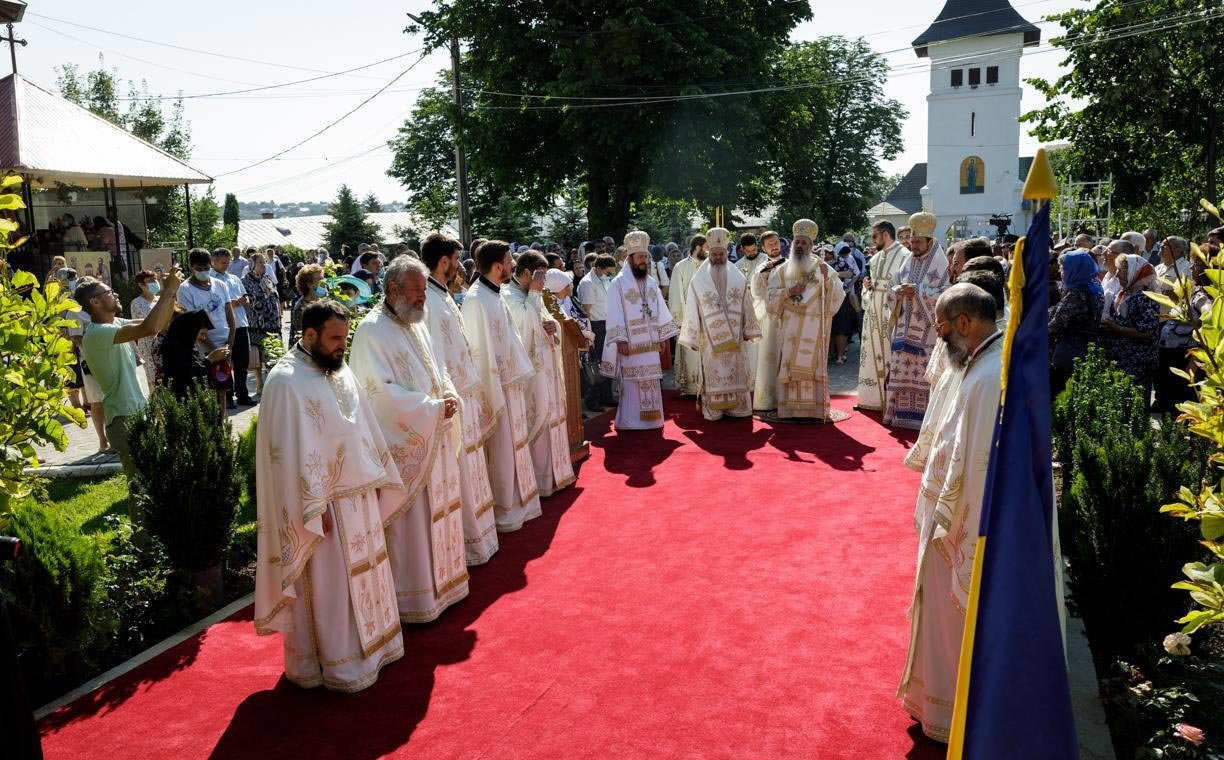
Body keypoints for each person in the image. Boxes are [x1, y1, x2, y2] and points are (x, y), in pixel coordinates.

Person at [254, 300, 405, 692]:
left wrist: (376, 475)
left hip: (359, 497)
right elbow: (285, 456)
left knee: (367, 574)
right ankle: (333, 663)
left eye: (345, 337)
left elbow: (361, 427)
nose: (342, 345)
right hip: (321, 509)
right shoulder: (285, 382)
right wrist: (309, 507)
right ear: (309, 335)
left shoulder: (338, 368)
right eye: (336, 338)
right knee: (331, 587)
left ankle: (377, 648)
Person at [897, 282, 1003, 744]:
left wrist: (954, 528)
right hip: (948, 514)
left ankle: (952, 715)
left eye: (941, 328)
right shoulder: (978, 362)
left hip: (958, 527)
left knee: (952, 623)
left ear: (963, 322)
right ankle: (936, 705)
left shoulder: (987, 377)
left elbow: (978, 464)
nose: (938, 337)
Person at [349, 258, 470, 623]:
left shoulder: (416, 322)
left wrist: (448, 394)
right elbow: (378, 395)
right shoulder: (372, 332)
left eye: (423, 291)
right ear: (393, 290)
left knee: (440, 511)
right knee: (414, 524)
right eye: (417, 291)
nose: (422, 298)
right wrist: (431, 409)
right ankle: (414, 598)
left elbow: (438, 368)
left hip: (435, 432)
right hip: (407, 443)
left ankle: (446, 584)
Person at [422, 233, 500, 564]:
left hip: (465, 391)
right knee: (462, 472)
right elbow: (434, 356)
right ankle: (469, 543)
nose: (459, 266)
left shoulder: (442, 294)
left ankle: (482, 537)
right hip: (453, 395)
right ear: (444, 261)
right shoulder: (428, 300)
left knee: (473, 468)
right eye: (455, 260)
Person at [461, 240, 544, 533]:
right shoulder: (476, 300)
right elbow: (478, 354)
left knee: (515, 446)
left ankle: (522, 501)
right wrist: (494, 389)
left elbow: (512, 338)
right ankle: (505, 508)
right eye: (509, 261)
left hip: (511, 383)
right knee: (503, 450)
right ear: (498, 266)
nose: (513, 265)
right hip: (497, 388)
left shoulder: (494, 294)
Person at [75, 268, 182, 488]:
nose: (114, 294)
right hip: (122, 419)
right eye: (108, 292)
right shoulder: (96, 333)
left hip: (136, 412)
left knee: (152, 483)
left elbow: (161, 323)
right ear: (95, 302)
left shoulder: (114, 323)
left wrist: (171, 293)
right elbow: (149, 327)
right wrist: (167, 291)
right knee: (140, 487)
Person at [503, 252, 577, 498]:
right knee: (539, 419)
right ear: (527, 272)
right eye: (541, 276)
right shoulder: (509, 296)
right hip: (532, 374)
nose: (544, 282)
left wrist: (553, 328)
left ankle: (557, 474)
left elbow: (547, 322)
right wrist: (535, 294)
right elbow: (523, 330)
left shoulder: (534, 294)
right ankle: (541, 478)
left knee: (553, 416)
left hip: (548, 370)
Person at [754, 219, 844, 421]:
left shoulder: (822, 268)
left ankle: (814, 410)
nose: (800, 246)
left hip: (815, 326)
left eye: (804, 242)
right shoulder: (782, 269)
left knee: (813, 367)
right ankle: (790, 410)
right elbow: (769, 297)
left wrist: (827, 281)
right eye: (798, 242)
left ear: (811, 245)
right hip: (790, 328)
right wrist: (788, 292)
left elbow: (839, 294)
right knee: (789, 365)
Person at [677, 227, 760, 420]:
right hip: (709, 338)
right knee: (713, 371)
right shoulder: (699, 279)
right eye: (714, 254)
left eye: (721, 254)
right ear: (709, 253)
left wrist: (749, 329)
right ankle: (714, 409)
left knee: (735, 369)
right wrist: (692, 336)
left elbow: (746, 304)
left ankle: (737, 408)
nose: (717, 257)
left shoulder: (738, 276)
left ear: (726, 253)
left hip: (735, 337)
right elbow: (692, 307)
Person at [601, 231, 680, 430]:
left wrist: (662, 337)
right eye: (639, 257)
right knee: (632, 381)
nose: (643, 260)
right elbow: (614, 312)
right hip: (630, 342)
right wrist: (620, 339)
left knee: (651, 379)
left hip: (651, 343)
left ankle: (652, 420)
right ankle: (630, 421)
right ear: (630, 258)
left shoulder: (651, 282)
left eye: (645, 256)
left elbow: (660, 310)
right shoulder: (618, 284)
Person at [884, 212, 950, 430]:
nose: (913, 246)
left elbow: (947, 294)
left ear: (930, 242)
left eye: (918, 242)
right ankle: (898, 415)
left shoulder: (941, 264)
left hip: (928, 333)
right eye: (912, 242)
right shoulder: (907, 262)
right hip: (903, 332)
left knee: (924, 375)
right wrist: (898, 291)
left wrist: (919, 291)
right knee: (901, 373)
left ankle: (925, 419)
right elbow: (892, 287)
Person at [178, 248, 235, 419]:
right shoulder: (185, 289)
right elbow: (193, 325)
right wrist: (214, 350)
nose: (203, 271)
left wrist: (229, 346)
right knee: (207, 388)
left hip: (225, 344)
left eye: (206, 268)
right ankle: (210, 423)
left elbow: (230, 316)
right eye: (199, 268)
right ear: (191, 266)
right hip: (203, 347)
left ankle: (222, 423)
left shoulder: (220, 285)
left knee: (223, 388)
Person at [857, 221, 909, 411]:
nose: (873, 240)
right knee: (871, 354)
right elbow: (870, 287)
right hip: (873, 314)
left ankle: (889, 400)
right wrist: (867, 287)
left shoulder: (905, 256)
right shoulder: (875, 258)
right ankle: (871, 399)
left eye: (875, 236)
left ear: (885, 234)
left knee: (889, 353)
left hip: (891, 314)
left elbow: (906, 286)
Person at [1102, 252, 1160, 404]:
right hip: (1122, 360)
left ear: (1134, 272)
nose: (1117, 274)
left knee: (1135, 404)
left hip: (1136, 362)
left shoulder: (1145, 297)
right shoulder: (1124, 294)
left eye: (1121, 270)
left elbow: (1146, 332)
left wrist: (1116, 327)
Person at [1049, 250, 1104, 397]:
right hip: (1086, 348)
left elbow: (1056, 326)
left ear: (1074, 269)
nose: (1060, 271)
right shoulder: (1095, 287)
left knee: (1061, 394)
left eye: (1063, 268)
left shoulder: (1077, 294)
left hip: (1070, 352)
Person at [212, 248, 254, 407]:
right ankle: (227, 396)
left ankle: (242, 394)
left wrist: (245, 300)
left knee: (242, 363)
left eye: (228, 262)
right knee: (225, 363)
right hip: (224, 327)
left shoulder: (234, 278)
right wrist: (233, 303)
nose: (226, 265)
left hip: (241, 323)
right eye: (223, 262)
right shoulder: (210, 280)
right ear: (213, 261)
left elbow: (245, 295)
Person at [667, 234, 707, 396]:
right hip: (688, 318)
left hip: (708, 317)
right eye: (706, 248)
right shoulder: (681, 266)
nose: (709, 251)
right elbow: (676, 294)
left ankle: (709, 385)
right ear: (697, 247)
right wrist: (680, 320)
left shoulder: (710, 265)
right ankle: (691, 387)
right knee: (690, 354)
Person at [750, 230, 786, 410]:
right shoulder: (761, 268)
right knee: (769, 357)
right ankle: (768, 400)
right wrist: (764, 274)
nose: (774, 246)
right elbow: (756, 292)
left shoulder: (790, 263)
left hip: (788, 316)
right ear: (764, 248)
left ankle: (786, 398)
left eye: (776, 242)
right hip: (770, 318)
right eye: (770, 244)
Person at [156, 309, 230, 397]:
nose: (203, 338)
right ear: (191, 330)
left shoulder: (189, 346)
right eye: (202, 333)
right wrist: (210, 359)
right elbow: (189, 377)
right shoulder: (174, 348)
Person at [576, 253, 616, 409]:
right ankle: (593, 400)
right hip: (595, 325)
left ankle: (607, 396)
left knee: (608, 361)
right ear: (598, 268)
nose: (609, 275)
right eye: (608, 272)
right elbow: (586, 311)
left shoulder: (604, 279)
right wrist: (590, 335)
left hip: (607, 323)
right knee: (595, 363)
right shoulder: (587, 283)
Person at [242, 252, 281, 397]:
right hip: (256, 324)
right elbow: (246, 300)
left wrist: (279, 315)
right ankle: (259, 384)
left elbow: (275, 296)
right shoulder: (245, 281)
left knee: (273, 353)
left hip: (272, 323)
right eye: (260, 262)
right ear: (252, 264)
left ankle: (273, 384)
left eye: (264, 262)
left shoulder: (268, 278)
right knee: (257, 355)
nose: (263, 265)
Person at [128, 270, 162, 389]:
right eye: (150, 281)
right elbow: (140, 325)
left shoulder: (161, 299)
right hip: (148, 346)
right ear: (141, 285)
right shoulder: (136, 303)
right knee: (154, 381)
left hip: (164, 342)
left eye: (155, 279)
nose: (155, 282)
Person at [829, 241, 861, 365]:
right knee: (830, 327)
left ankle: (841, 354)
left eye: (829, 253)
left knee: (841, 326)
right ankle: (830, 353)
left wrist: (848, 284)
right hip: (825, 298)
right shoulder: (818, 262)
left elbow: (853, 273)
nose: (826, 256)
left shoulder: (842, 261)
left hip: (842, 296)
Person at [289, 264, 326, 347]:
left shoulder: (323, 302)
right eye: (320, 280)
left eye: (323, 278)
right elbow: (302, 335)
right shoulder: (301, 307)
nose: (324, 282)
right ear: (309, 284)